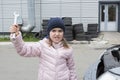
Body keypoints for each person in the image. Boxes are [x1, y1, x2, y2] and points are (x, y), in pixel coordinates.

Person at [10, 17, 77, 80]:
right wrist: (16, 35)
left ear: (63, 33)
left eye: (60, 31)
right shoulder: (42, 46)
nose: (57, 34)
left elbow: (72, 69)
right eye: (53, 31)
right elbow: (23, 50)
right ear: (49, 32)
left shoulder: (68, 49)